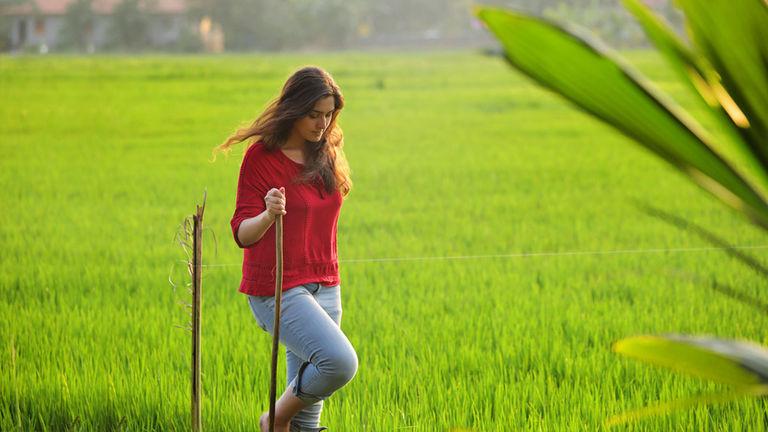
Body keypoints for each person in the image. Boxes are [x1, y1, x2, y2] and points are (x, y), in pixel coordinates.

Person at [214, 66, 358, 432]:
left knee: (306, 419)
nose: (322, 124)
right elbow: (242, 233)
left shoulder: (325, 152)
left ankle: (282, 422)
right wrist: (267, 214)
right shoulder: (262, 157)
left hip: (325, 283)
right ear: (294, 109)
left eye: (328, 115)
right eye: (313, 115)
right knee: (339, 362)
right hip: (277, 288)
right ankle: (272, 419)